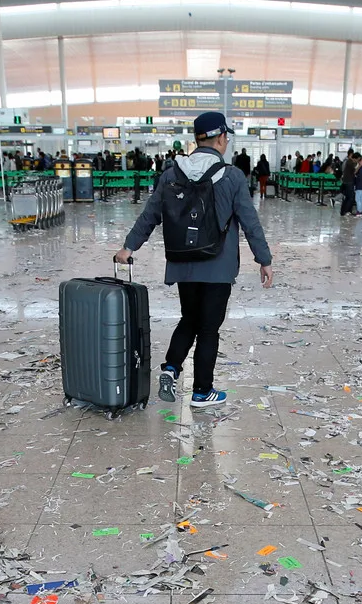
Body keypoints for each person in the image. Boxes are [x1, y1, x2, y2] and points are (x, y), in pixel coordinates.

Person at [113, 111, 272, 407]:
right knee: (209, 328)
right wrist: (264, 259)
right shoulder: (233, 177)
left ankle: (171, 368)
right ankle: (202, 391)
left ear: (196, 139)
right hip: (218, 265)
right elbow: (251, 223)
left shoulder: (172, 174)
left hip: (183, 262)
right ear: (222, 139)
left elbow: (150, 215)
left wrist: (128, 248)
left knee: (189, 318)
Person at [340, 150, 357, 216]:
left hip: (345, 181)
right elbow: (351, 171)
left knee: (346, 197)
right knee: (349, 197)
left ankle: (343, 211)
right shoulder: (349, 161)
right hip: (348, 181)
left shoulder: (346, 161)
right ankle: (346, 211)